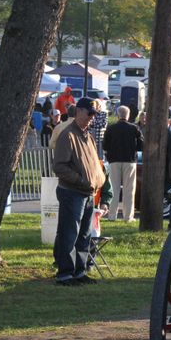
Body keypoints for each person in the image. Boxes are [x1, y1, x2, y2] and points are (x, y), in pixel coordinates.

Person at [51, 97, 112, 286]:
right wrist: (81, 180)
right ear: (78, 112)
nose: (92, 118)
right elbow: (59, 167)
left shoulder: (88, 136)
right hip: (72, 191)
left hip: (87, 193)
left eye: (94, 115)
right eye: (90, 113)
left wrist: (96, 181)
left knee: (84, 234)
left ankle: (79, 271)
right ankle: (65, 273)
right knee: (70, 233)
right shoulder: (67, 135)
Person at [103, 104, 143, 222]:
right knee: (129, 190)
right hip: (130, 160)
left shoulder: (111, 128)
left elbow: (105, 145)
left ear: (117, 115)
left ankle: (111, 215)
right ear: (128, 115)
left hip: (114, 160)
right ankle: (128, 216)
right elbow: (141, 144)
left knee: (114, 188)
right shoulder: (134, 128)